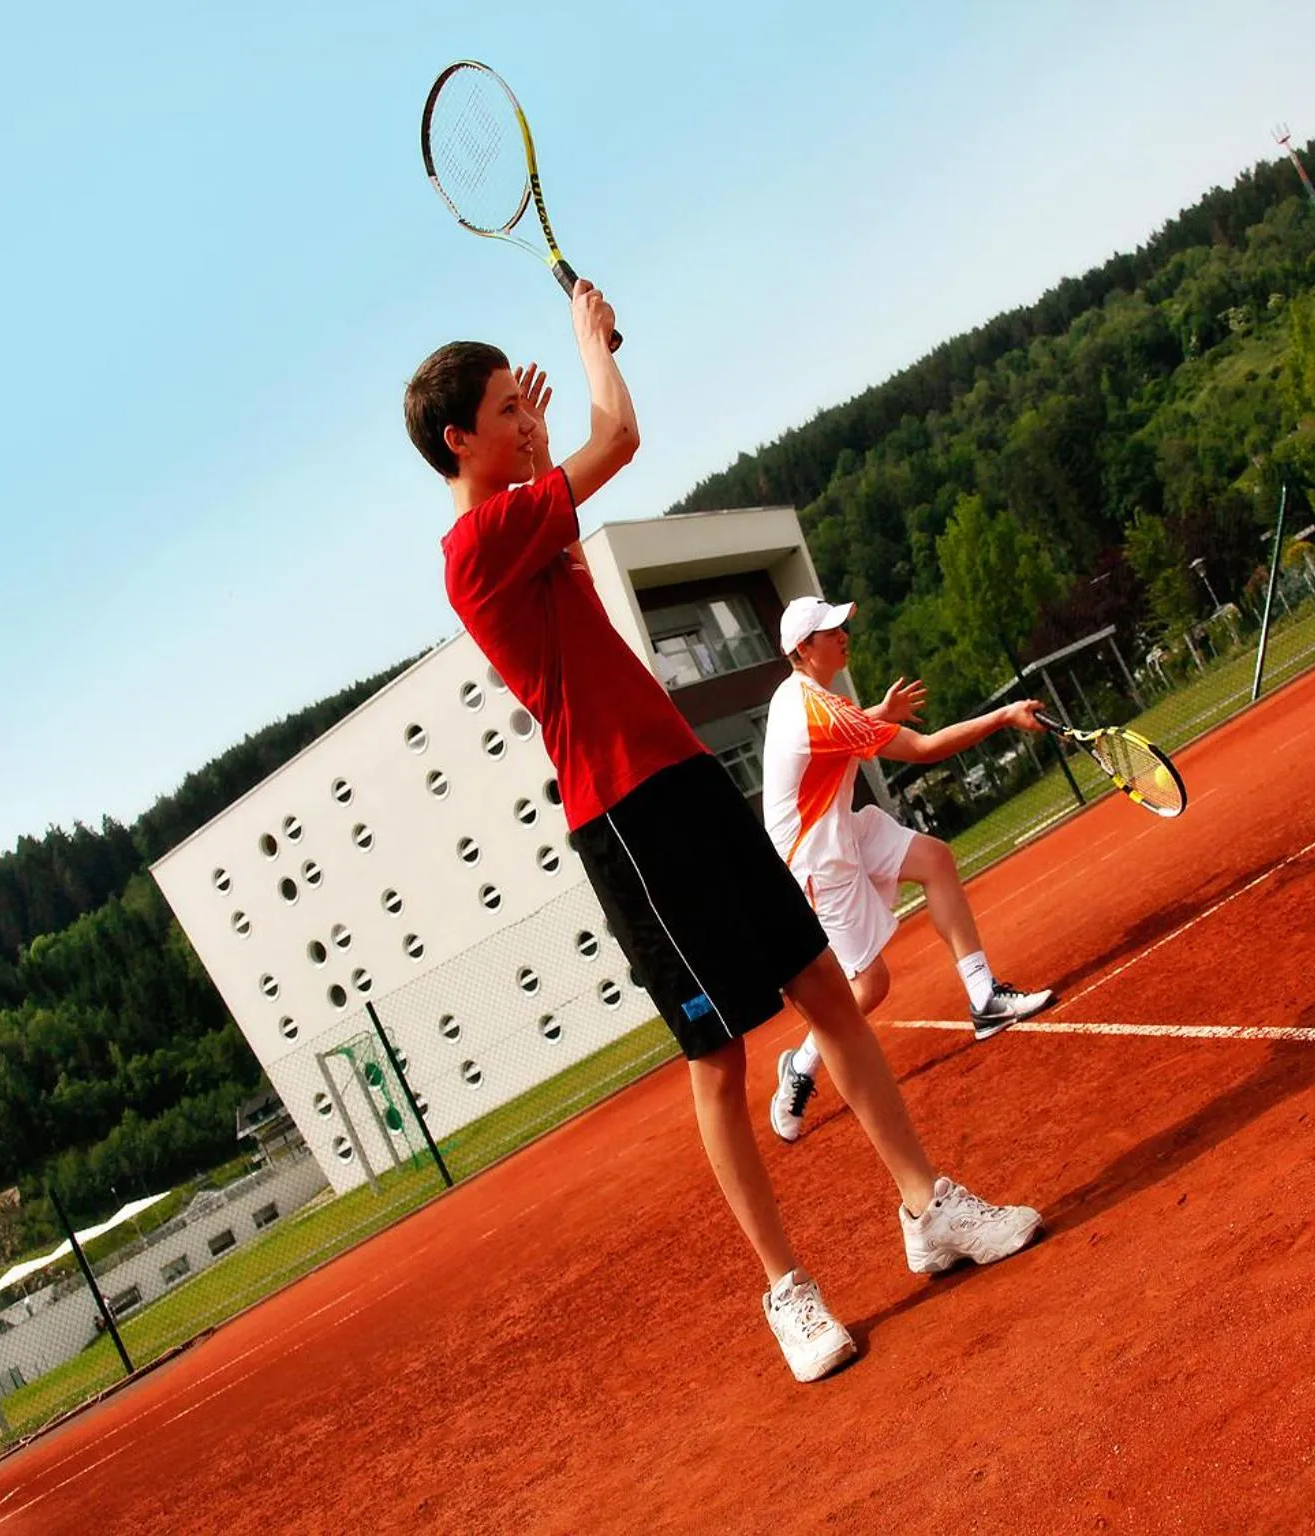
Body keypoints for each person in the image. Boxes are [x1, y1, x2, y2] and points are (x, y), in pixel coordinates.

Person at [405, 282, 1044, 1384]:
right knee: (716, 1059)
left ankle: (926, 1209)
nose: (524, 416)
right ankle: (787, 1293)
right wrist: (589, 345)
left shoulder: (522, 525)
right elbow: (625, 437)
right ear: (459, 436)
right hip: (627, 822)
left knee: (829, 997)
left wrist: (548, 437)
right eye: (507, 407)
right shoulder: (475, 547)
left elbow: (577, 463)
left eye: (527, 401)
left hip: (687, 783)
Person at [761, 596, 1057, 1143]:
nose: (843, 633)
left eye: (841, 625)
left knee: (935, 859)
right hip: (814, 855)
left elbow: (835, 739)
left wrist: (877, 714)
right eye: (830, 630)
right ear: (804, 648)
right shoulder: (816, 708)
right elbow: (922, 749)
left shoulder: (802, 695)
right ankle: (800, 1067)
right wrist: (1004, 715)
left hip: (837, 826)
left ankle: (983, 998)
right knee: (870, 985)